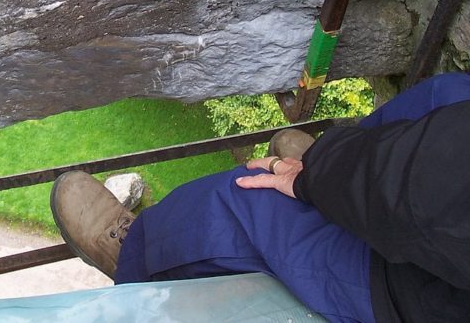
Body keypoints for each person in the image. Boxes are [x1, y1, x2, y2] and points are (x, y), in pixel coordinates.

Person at [51, 72, 470, 322]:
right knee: (448, 92)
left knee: (238, 205)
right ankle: (336, 171)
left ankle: (136, 258)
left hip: (420, 290)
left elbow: (433, 189)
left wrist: (314, 181)